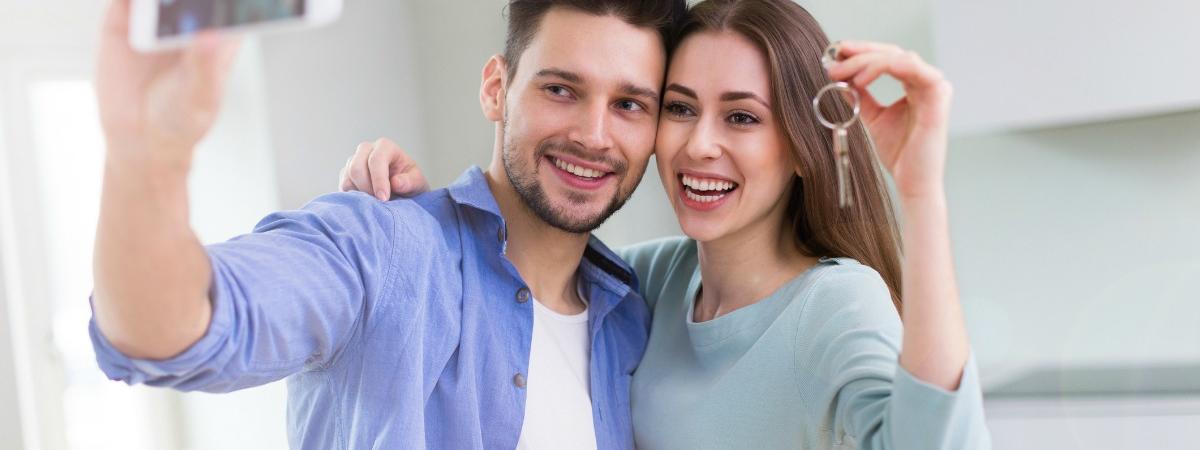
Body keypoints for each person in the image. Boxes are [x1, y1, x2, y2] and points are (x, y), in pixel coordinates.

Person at [339, 0, 991, 448]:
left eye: (741, 117)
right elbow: (511, 284)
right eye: (680, 108)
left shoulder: (832, 304)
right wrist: (418, 217)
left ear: (799, 146)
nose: (699, 145)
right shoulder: (642, 281)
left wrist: (921, 192)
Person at [88, 0, 687, 448]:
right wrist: (148, 158)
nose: (594, 135)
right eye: (561, 89)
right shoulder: (383, 246)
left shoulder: (629, 317)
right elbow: (169, 330)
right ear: (496, 89)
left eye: (629, 104)